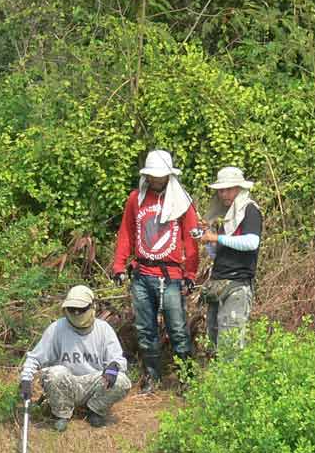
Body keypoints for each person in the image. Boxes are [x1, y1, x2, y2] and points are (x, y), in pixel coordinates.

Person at [110, 149, 199, 393]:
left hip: (171, 276)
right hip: (142, 273)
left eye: (161, 176)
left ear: (169, 176)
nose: (157, 180)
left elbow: (191, 240)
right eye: (153, 176)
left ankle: (186, 378)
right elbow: (126, 234)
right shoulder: (135, 199)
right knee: (145, 328)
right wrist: (119, 265)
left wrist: (190, 274)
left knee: (178, 328)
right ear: (146, 176)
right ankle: (152, 376)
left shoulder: (182, 202)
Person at [19, 285, 131, 432]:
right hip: (66, 383)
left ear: (92, 307)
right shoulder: (57, 328)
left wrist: (114, 366)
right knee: (55, 373)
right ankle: (62, 413)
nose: (77, 312)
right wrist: (26, 379)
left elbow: (118, 359)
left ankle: (95, 409)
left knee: (122, 381)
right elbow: (35, 358)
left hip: (93, 384)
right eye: (72, 309)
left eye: (81, 309)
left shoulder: (103, 329)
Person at [198, 166, 261, 355]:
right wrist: (207, 237)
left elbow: (252, 242)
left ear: (239, 188)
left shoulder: (249, 210)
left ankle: (232, 384)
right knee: (214, 342)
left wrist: (216, 238)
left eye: (228, 189)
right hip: (218, 283)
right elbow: (219, 254)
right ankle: (218, 384)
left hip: (238, 285)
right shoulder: (227, 217)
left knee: (230, 346)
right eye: (221, 190)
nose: (224, 194)